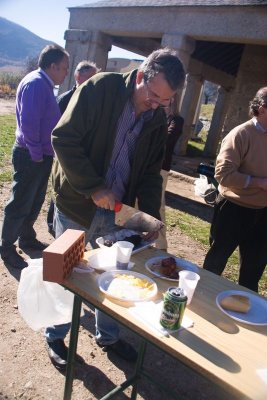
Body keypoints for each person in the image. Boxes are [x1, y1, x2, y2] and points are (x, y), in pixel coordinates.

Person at [45, 47, 185, 370]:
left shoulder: (155, 118)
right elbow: (63, 139)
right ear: (140, 77)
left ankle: (107, 335)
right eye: (153, 96)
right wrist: (93, 186)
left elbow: (151, 174)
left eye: (165, 102)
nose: (156, 106)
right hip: (76, 205)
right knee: (67, 275)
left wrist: (148, 218)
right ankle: (55, 334)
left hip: (116, 213)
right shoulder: (100, 89)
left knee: (116, 276)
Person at [0, 44, 69, 269]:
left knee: (34, 200)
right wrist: (38, 154)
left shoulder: (44, 84)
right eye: (64, 68)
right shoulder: (36, 84)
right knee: (20, 202)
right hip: (31, 155)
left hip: (39, 155)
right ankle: (6, 247)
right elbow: (29, 124)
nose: (66, 72)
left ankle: (26, 238)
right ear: (53, 66)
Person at [203, 87, 267, 292]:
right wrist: (259, 183)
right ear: (263, 109)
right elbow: (223, 175)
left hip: (263, 213)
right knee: (215, 263)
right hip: (233, 210)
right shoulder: (240, 134)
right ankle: (203, 304)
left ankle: (247, 314)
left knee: (253, 271)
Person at [47, 60, 100, 236]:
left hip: (82, 157)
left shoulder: (97, 102)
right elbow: (56, 132)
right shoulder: (64, 99)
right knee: (60, 192)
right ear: (78, 76)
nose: (94, 81)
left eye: (96, 77)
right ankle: (52, 224)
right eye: (90, 77)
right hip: (61, 156)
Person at [155, 98, 184, 250]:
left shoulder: (177, 120)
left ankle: (160, 246)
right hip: (146, 166)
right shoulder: (154, 114)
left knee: (158, 205)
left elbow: (168, 139)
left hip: (161, 168)